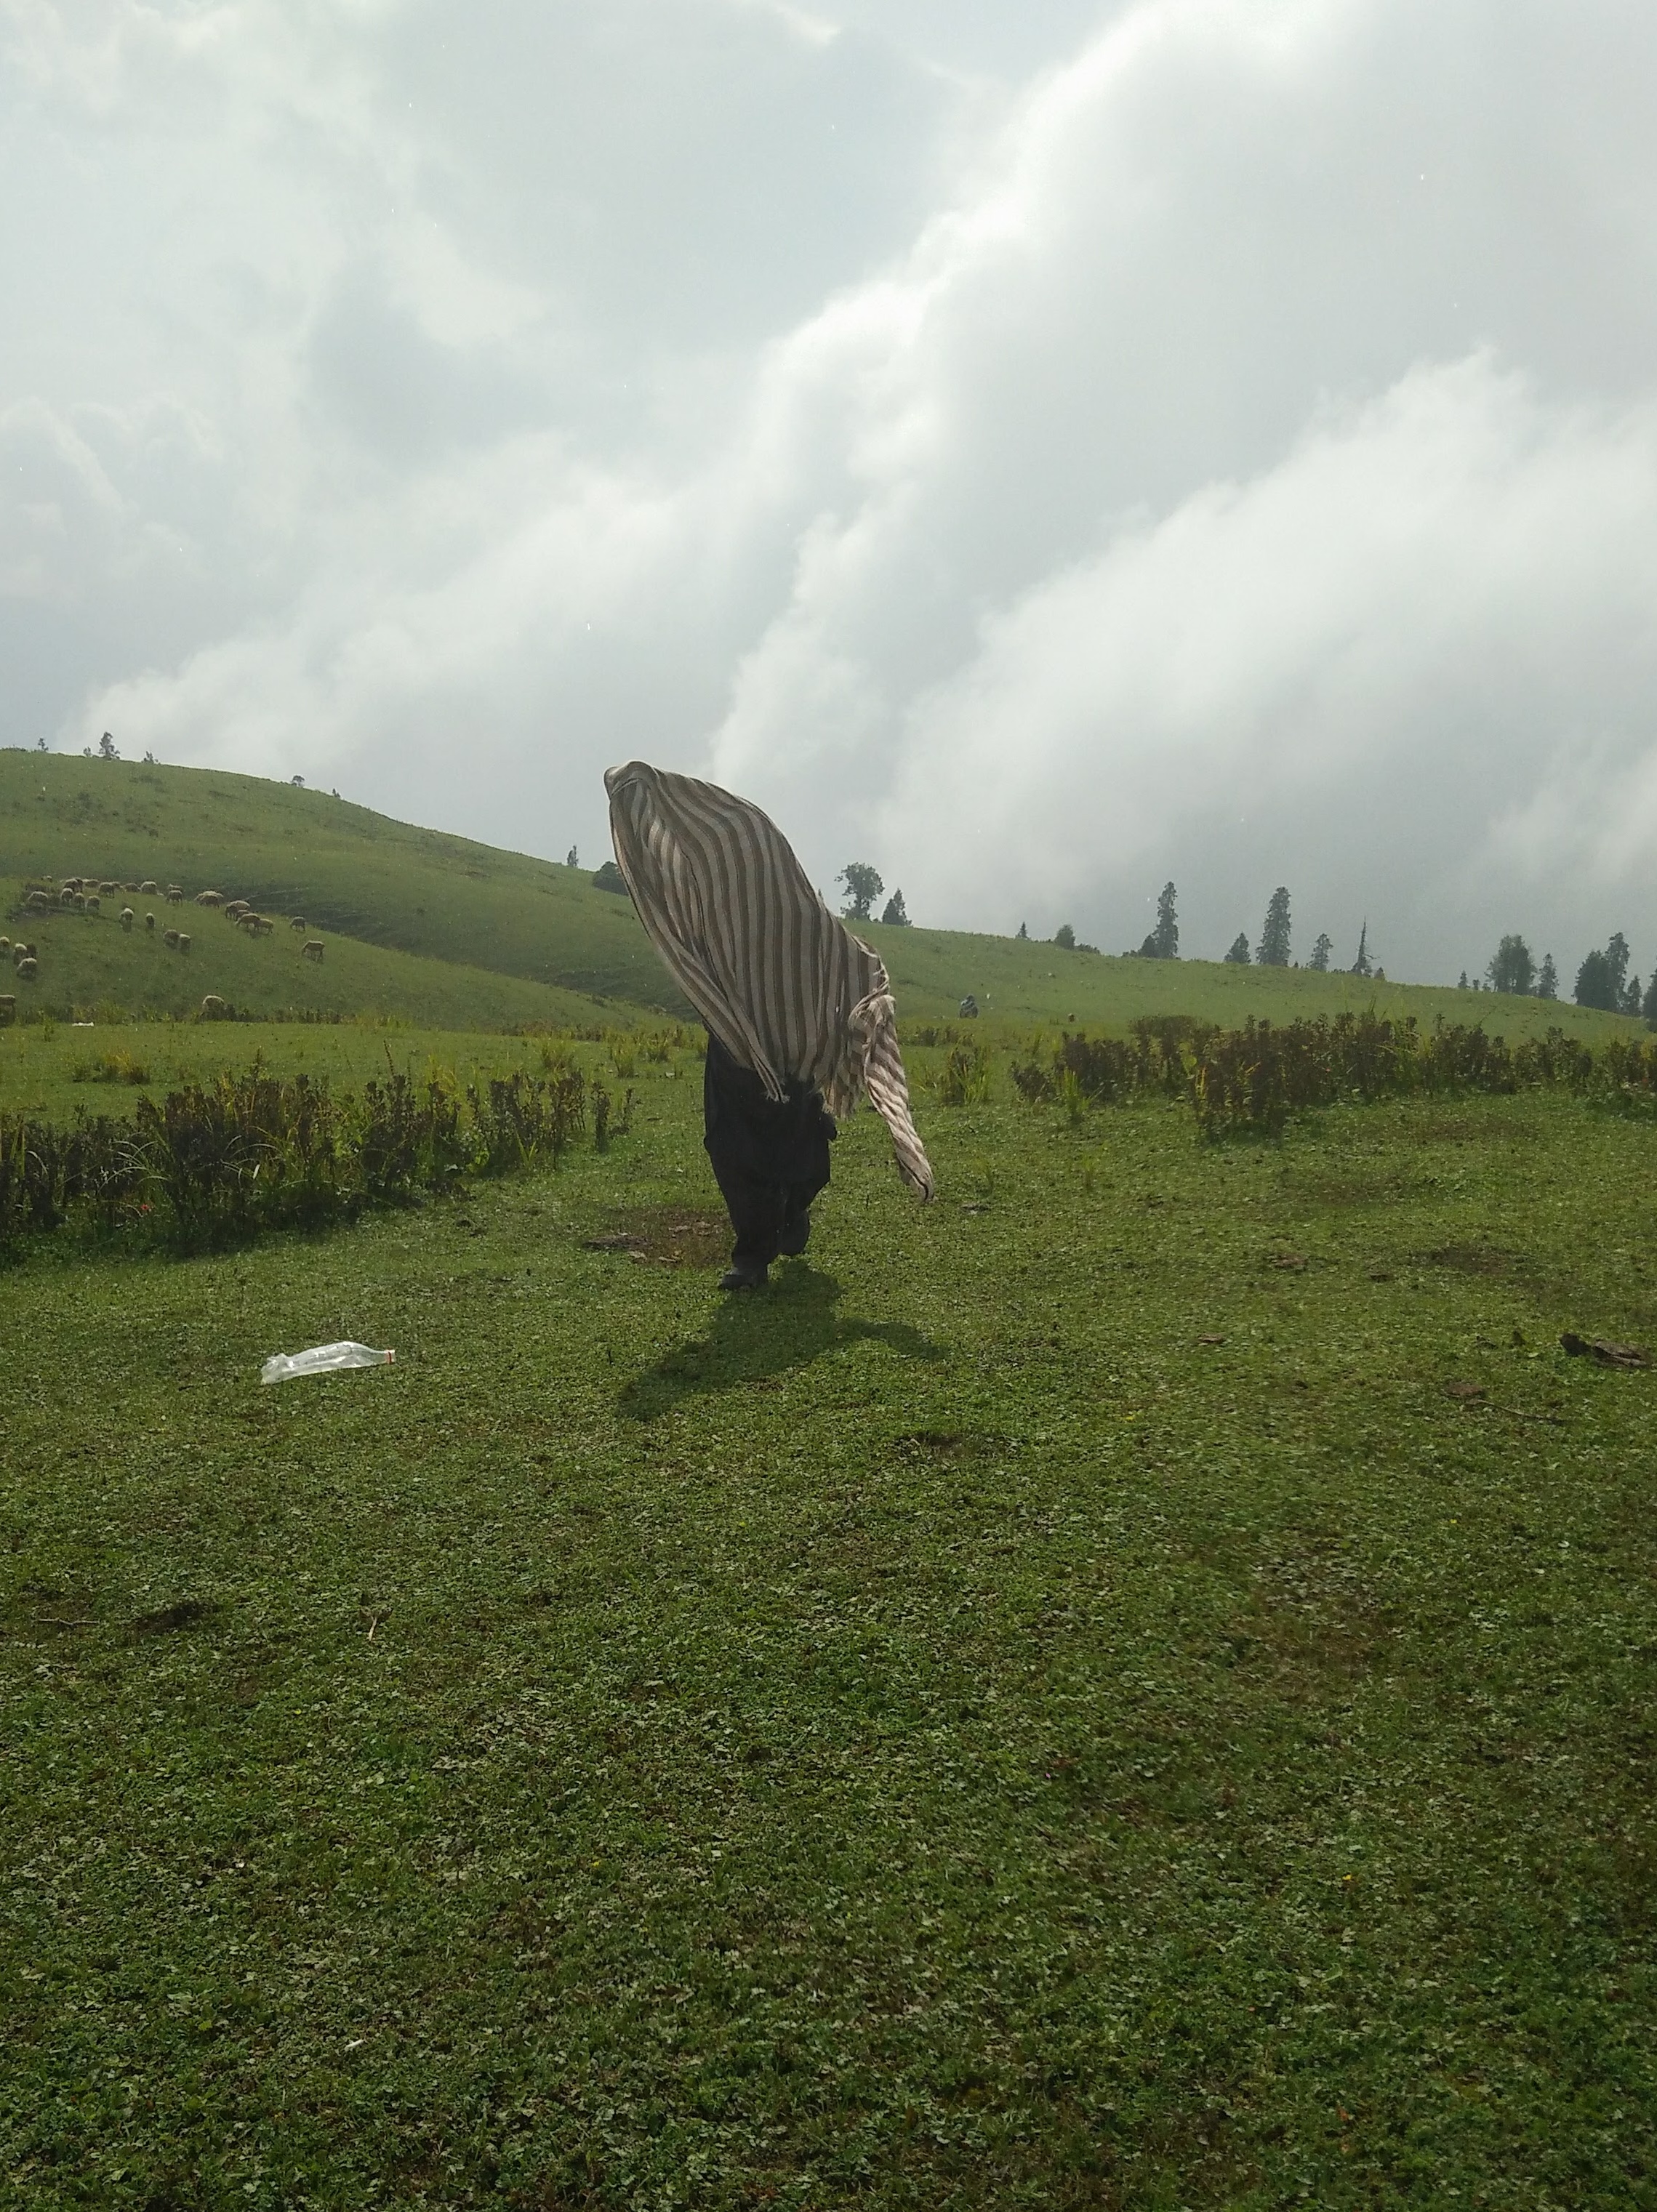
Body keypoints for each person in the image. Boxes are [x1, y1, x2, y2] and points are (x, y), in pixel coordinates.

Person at [604, 761, 934, 1288]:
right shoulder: (714, 905)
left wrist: (856, 991)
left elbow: (834, 952)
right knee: (730, 1146)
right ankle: (751, 1257)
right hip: (735, 1039)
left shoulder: (794, 905)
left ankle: (792, 1211)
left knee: (799, 1148)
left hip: (788, 1044)